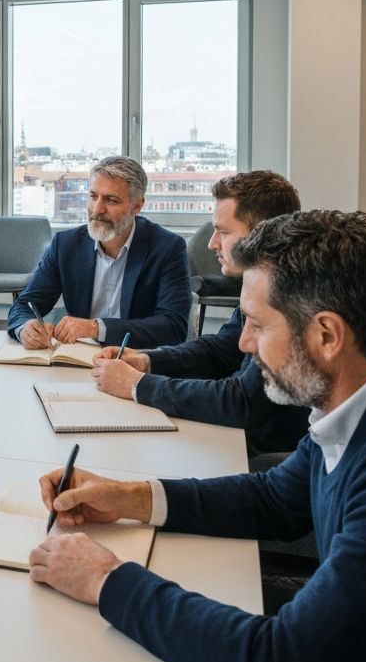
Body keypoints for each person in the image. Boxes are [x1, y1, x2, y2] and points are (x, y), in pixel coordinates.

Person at [29, 211, 366, 662]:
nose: (244, 344)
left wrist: (105, 579)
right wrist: (130, 497)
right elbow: (276, 500)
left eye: (257, 323)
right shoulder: (365, 397)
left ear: (326, 335)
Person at [90, 170, 308, 455]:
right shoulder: (263, 280)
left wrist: (138, 385)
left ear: (262, 234)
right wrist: (146, 360)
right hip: (239, 439)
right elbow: (221, 350)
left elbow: (241, 401)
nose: (211, 243)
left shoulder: (287, 295)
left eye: (224, 231)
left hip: (263, 453)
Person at [5, 155, 190, 350]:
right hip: (79, 355)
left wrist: (96, 328)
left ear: (137, 206)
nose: (97, 209)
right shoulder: (66, 245)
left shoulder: (168, 248)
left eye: (111, 200)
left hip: (136, 359)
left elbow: (173, 328)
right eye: (93, 196)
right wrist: (25, 327)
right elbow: (24, 306)